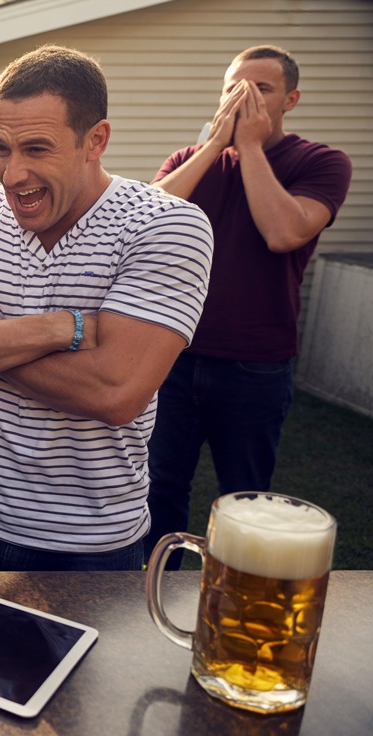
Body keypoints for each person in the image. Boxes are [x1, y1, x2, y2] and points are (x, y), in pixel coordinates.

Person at [0, 45, 214, 572]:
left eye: (36, 149)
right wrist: (58, 328)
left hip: (89, 545)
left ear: (96, 140)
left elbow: (115, 391)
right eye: (0, 147)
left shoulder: (166, 227)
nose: (11, 172)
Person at [143, 46, 352, 567]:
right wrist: (215, 144)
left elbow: (284, 232)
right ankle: (148, 591)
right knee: (159, 487)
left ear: (291, 100)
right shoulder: (191, 159)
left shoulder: (321, 162)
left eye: (260, 88)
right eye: (233, 86)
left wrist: (250, 149)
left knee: (244, 500)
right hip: (174, 356)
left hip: (255, 366)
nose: (242, 97)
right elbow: (144, 223)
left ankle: (229, 599)